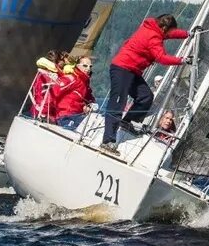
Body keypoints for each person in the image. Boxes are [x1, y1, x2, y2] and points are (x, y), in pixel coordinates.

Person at [102, 14, 191, 152]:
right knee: (118, 103)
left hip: (132, 71)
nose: (169, 34)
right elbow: (162, 58)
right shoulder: (153, 36)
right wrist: (182, 60)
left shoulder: (155, 28)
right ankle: (108, 140)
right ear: (164, 28)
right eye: (168, 31)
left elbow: (172, 34)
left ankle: (125, 122)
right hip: (122, 68)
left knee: (146, 96)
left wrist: (188, 34)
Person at [51, 55, 94, 130]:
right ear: (77, 66)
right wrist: (46, 113)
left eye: (90, 66)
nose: (88, 68)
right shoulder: (72, 78)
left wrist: (90, 105)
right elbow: (53, 92)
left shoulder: (84, 82)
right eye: (85, 65)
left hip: (77, 115)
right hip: (65, 115)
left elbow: (88, 97)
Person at [28, 51, 66, 122]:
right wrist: (44, 114)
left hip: (35, 110)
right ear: (57, 62)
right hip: (44, 114)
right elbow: (48, 99)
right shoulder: (50, 77)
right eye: (62, 59)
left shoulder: (41, 74)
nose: (64, 62)